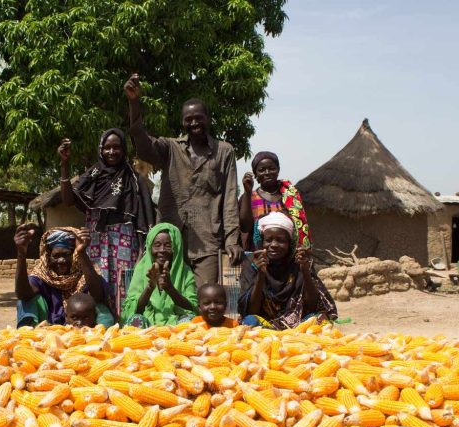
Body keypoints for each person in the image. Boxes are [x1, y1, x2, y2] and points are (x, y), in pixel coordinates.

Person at [124, 73, 243, 286]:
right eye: (189, 119)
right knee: (167, 296)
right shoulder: (170, 148)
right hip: (168, 242)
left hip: (207, 240)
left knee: (204, 297)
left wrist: (232, 240)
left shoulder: (224, 151)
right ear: (182, 122)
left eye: (199, 118)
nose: (194, 123)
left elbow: (230, 199)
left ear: (208, 119)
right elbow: (143, 147)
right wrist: (134, 104)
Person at [58, 130, 155, 306]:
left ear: (124, 150)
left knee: (126, 289)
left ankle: (125, 327)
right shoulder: (92, 175)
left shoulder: (134, 179)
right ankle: (99, 327)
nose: (111, 152)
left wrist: (142, 252)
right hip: (94, 242)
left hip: (125, 243)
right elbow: (68, 200)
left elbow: (144, 220)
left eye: (116, 147)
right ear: (101, 150)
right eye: (107, 147)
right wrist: (65, 164)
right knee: (95, 285)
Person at [238, 212, 336, 329]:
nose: (274, 245)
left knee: (320, 320)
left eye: (281, 240)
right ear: (261, 242)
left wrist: (305, 271)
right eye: (268, 240)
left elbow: (314, 306)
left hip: (298, 325)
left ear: (290, 243)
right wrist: (261, 275)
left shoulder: (299, 261)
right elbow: (251, 311)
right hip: (265, 325)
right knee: (249, 321)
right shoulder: (252, 263)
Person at [14, 224, 115, 327]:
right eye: (56, 256)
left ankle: (102, 340)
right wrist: (21, 253)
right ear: (48, 257)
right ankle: (27, 337)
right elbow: (22, 294)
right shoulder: (42, 273)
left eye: (66, 255)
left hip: (84, 327)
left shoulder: (84, 269)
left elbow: (98, 295)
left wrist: (81, 252)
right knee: (24, 302)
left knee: (102, 309)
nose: (61, 261)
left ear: (74, 255)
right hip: (48, 327)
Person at [121, 223, 197, 327]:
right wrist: (149, 287)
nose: (162, 250)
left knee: (191, 321)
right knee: (135, 320)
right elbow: (133, 310)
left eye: (168, 245)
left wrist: (170, 289)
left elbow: (192, 308)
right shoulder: (141, 269)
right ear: (150, 247)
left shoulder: (185, 271)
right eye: (157, 245)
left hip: (175, 325)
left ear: (176, 247)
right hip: (147, 326)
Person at [239, 151, 311, 251]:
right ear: (255, 174)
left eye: (272, 168)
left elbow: (298, 229)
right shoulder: (249, 197)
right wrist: (247, 192)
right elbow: (245, 227)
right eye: (262, 170)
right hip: (259, 256)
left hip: (287, 257)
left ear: (278, 170)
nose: (267, 173)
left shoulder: (289, 195)